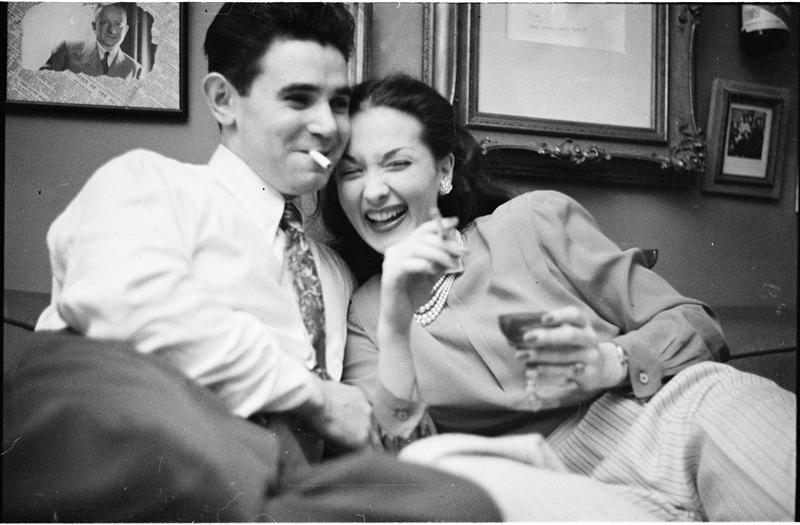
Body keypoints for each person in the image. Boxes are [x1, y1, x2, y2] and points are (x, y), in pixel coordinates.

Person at [8, 7, 502, 522]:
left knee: (460, 505)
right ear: (224, 100)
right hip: (143, 465)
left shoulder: (335, 276)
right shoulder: (152, 184)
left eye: (338, 103)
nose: (327, 126)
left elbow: (373, 428)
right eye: (298, 99)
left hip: (273, 492)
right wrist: (315, 397)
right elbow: (129, 303)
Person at [321, 74, 797, 521]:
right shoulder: (365, 316)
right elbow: (396, 464)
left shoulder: (533, 221)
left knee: (735, 410)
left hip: (662, 419)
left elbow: (696, 325)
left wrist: (610, 362)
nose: (374, 191)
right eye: (352, 172)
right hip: (547, 489)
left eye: (397, 163)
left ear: (443, 170)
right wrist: (395, 319)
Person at [40, 3, 142, 80]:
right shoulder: (66, 51)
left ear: (126, 30)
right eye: (105, 23)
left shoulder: (135, 70)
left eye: (118, 24)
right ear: (94, 26)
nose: (112, 30)